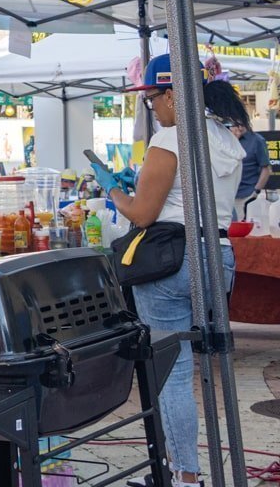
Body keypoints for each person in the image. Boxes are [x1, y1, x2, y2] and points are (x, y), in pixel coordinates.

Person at [100, 54, 243, 487]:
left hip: (172, 258)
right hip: (218, 256)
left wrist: (112, 191)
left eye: (152, 99)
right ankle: (186, 466)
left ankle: (184, 473)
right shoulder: (224, 138)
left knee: (173, 373)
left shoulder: (169, 140)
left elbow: (143, 214)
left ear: (173, 94)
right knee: (204, 363)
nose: (152, 108)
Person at [228, 115, 271, 221]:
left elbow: (266, 169)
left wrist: (256, 191)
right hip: (228, 192)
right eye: (236, 125)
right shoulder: (225, 139)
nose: (239, 128)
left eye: (242, 125)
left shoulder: (257, 141)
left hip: (247, 192)